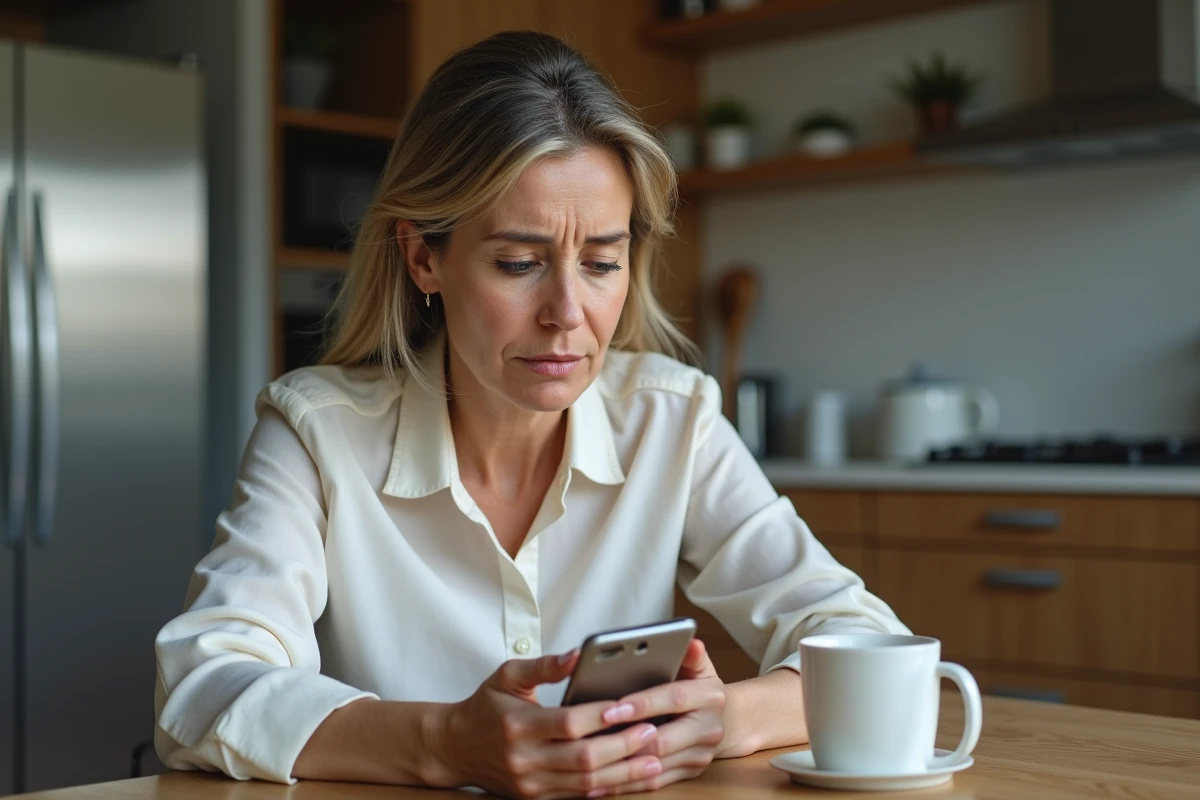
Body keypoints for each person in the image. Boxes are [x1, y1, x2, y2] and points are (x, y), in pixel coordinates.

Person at [153, 29, 909, 799]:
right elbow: (203, 688)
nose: (567, 314)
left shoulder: (671, 421)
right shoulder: (317, 434)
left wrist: (721, 718)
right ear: (423, 258)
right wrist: (445, 743)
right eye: (519, 263)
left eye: (602, 263)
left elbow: (869, 643)